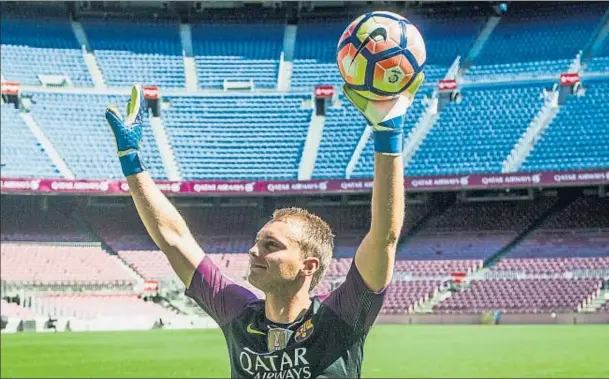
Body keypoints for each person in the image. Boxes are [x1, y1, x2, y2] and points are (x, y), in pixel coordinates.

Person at [105, 74, 424, 378]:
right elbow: (174, 238)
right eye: (258, 241)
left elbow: (384, 236)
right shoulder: (239, 314)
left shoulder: (340, 316)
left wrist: (387, 135)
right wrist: (131, 160)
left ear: (308, 265)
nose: (253, 250)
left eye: (272, 245)